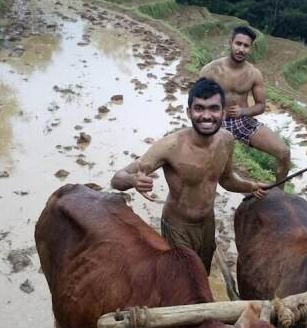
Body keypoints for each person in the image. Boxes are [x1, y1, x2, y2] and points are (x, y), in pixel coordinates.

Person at [111, 78, 268, 274]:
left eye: (213, 108)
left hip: (207, 223)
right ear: (188, 112)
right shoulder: (171, 146)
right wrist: (133, 180)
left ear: (223, 112)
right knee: (181, 279)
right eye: (199, 108)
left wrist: (251, 186)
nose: (206, 115)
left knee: (203, 273)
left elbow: (227, 179)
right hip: (178, 228)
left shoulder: (226, 140)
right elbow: (117, 179)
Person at [199, 26, 291, 187]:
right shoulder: (211, 70)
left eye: (246, 46)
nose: (241, 49)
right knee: (210, 166)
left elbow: (261, 106)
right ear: (231, 43)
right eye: (238, 43)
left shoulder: (254, 74)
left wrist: (243, 111)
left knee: (284, 152)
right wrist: (214, 113)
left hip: (243, 121)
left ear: (250, 48)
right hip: (217, 122)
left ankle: (279, 192)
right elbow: (197, 101)